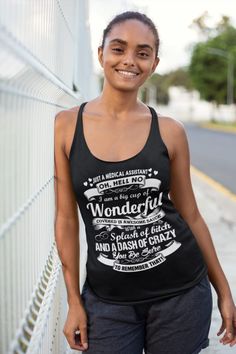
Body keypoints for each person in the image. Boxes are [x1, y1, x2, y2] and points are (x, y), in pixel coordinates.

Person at [54, 11, 236, 354]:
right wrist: (74, 301)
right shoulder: (66, 126)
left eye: (142, 52)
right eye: (118, 49)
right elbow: (66, 219)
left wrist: (224, 291)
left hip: (181, 295)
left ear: (154, 63)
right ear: (101, 54)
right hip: (108, 303)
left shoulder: (170, 131)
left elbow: (192, 215)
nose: (129, 61)